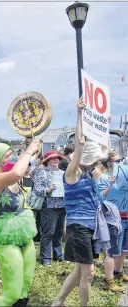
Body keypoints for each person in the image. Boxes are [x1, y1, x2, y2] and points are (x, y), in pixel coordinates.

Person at [52, 97, 104, 307]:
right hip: (79, 228)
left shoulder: (92, 174)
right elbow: (80, 143)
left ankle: (59, 301)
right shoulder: (72, 173)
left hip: (90, 228)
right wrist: (79, 113)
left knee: (79, 270)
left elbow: (103, 149)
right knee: (88, 273)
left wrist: (104, 124)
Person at [0, 138, 40, 307]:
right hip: (5, 236)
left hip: (24, 232)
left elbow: (24, 165)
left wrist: (33, 144)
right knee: (12, 295)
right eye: (7, 154)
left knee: (24, 290)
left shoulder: (15, 176)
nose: (12, 155)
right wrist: (28, 150)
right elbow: (16, 173)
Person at [98, 151, 128, 291]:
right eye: (118, 160)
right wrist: (110, 185)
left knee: (123, 249)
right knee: (111, 251)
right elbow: (101, 197)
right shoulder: (103, 177)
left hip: (126, 215)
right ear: (110, 163)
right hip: (113, 219)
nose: (121, 162)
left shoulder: (125, 175)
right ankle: (109, 280)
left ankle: (118, 272)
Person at [34, 151, 66, 267]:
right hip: (49, 206)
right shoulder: (42, 173)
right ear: (47, 161)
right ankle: (45, 258)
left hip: (62, 205)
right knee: (48, 232)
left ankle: (58, 255)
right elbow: (37, 189)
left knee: (59, 232)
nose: (56, 160)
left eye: (57, 158)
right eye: (53, 159)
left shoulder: (63, 173)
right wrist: (48, 189)